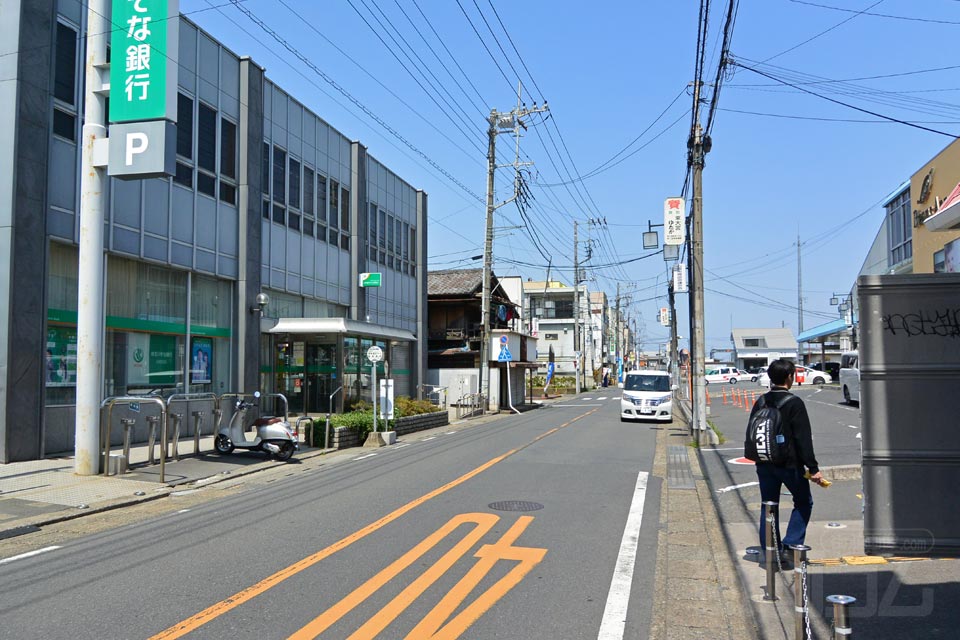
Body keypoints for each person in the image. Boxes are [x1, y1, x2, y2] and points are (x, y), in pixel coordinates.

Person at [748, 358, 824, 569]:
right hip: (789, 465)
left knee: (769, 506)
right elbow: (803, 438)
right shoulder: (794, 403)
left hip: (764, 463)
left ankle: (770, 551)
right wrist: (813, 468)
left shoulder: (761, 401)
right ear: (790, 377)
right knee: (803, 502)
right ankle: (791, 544)